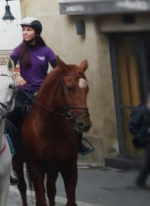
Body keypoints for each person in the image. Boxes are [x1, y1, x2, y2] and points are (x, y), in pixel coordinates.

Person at [6, 18, 92, 156]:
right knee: (11, 117)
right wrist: (16, 77)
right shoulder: (17, 51)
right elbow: (9, 69)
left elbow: (59, 71)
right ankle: (15, 148)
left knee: (70, 113)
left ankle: (79, 143)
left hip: (43, 92)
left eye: (29, 30)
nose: (25, 33)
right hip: (25, 92)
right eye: (23, 30)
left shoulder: (46, 51)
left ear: (37, 32)